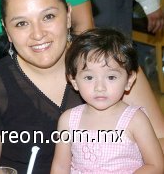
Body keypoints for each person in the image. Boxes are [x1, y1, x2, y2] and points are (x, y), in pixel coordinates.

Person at [0, 0, 164, 174]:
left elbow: (160, 140)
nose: (38, 34)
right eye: (22, 23)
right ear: (7, 30)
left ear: (68, 15)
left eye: (48, 17)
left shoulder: (112, 65)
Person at [51, 28, 163, 173]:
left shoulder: (135, 120)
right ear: (74, 81)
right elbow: (60, 166)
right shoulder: (67, 120)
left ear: (129, 80)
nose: (100, 87)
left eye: (111, 77)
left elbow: (155, 165)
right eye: (89, 77)